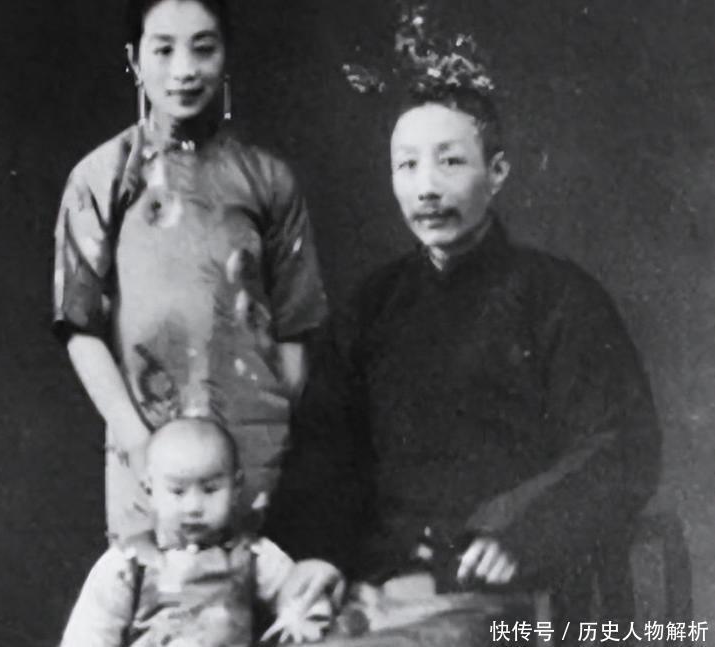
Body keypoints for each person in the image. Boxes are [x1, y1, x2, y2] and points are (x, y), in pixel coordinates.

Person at [268, 40, 662, 638]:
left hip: (510, 588)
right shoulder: (372, 306)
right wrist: (321, 553)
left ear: (497, 172)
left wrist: (517, 530)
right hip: (383, 584)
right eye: (407, 166)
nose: (426, 188)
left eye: (450, 162)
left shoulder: (557, 297)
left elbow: (620, 446)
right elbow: (326, 451)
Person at [52, 0, 328, 544]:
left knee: (261, 585)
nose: (184, 69)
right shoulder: (102, 175)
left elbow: (297, 324)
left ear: (226, 54)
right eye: (163, 49)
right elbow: (78, 324)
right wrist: (136, 439)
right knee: (154, 586)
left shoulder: (268, 180)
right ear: (135, 59)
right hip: (147, 447)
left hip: (254, 448)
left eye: (203, 48)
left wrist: (271, 432)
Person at [60, 418, 341, 646]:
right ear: (150, 490)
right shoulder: (129, 563)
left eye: (210, 490)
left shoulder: (256, 556)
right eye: (177, 491)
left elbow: (303, 599)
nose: (194, 507)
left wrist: (300, 617)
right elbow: (90, 633)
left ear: (236, 488)